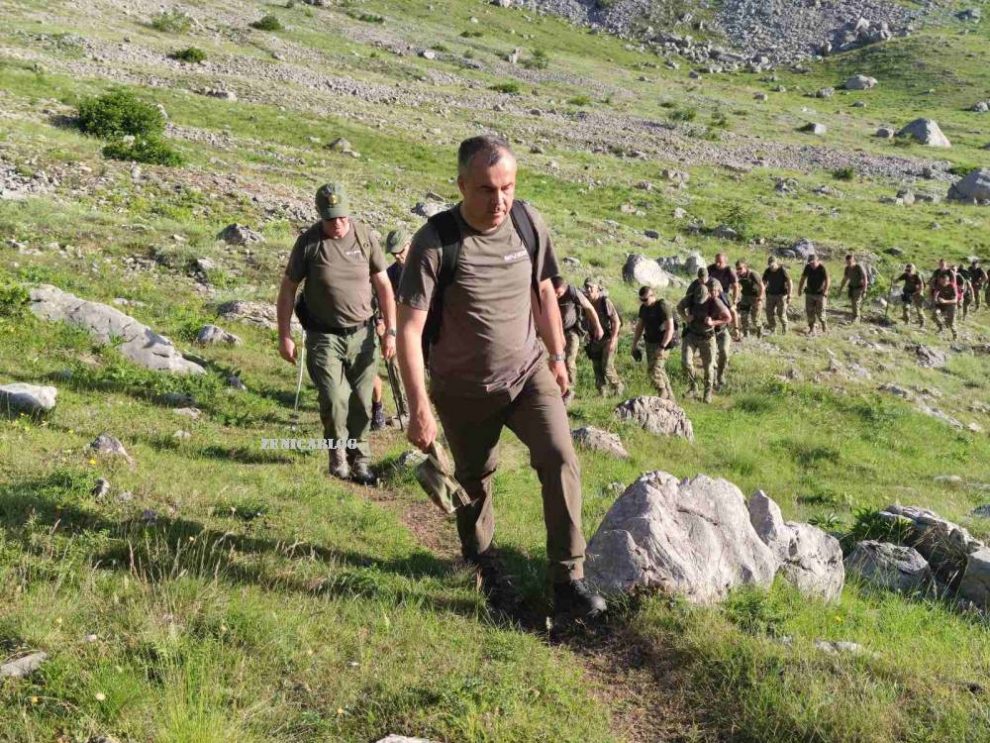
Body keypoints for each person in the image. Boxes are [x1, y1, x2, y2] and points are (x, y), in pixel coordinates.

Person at [395, 135, 606, 621]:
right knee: (474, 480)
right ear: (461, 185)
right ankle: (484, 564)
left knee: (560, 457)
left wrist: (557, 355)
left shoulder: (527, 222)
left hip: (528, 373)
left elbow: (545, 291)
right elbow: (409, 329)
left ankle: (568, 580)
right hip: (462, 389)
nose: (500, 201)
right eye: (487, 190)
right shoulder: (435, 242)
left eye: (507, 187)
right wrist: (419, 405)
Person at [276, 182, 395, 485]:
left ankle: (360, 459)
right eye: (331, 219)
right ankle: (337, 453)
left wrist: (390, 331)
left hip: (363, 334)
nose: (338, 224)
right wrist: (284, 335)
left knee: (362, 400)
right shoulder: (309, 243)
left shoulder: (364, 236)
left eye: (342, 217)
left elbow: (384, 286)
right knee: (333, 397)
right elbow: (288, 289)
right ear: (320, 215)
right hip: (323, 336)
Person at [677, 281, 731, 403]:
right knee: (686, 362)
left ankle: (707, 393)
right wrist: (685, 317)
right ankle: (693, 387)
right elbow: (679, 307)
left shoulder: (715, 302)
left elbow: (728, 317)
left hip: (707, 337)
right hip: (691, 334)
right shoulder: (691, 298)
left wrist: (713, 322)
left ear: (708, 294)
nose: (699, 302)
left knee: (708, 366)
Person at [552, 275, 604, 405]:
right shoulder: (548, 293)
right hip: (555, 332)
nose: (556, 296)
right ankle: (555, 390)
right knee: (553, 361)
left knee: (569, 361)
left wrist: (598, 327)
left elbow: (589, 308)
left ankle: (569, 391)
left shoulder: (572, 292)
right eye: (554, 293)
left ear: (564, 288)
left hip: (572, 331)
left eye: (558, 293)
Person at [630, 286, 676, 399]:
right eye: (641, 300)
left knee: (654, 370)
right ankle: (671, 399)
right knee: (660, 371)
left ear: (652, 295)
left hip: (663, 342)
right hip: (650, 343)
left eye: (645, 299)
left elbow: (670, 328)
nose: (644, 302)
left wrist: (662, 347)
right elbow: (640, 327)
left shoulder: (662, 306)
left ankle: (662, 393)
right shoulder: (644, 308)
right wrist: (634, 344)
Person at [583, 278, 624, 397]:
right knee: (597, 368)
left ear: (597, 288)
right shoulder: (585, 303)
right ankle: (602, 392)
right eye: (586, 286)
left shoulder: (605, 302)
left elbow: (616, 321)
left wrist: (613, 340)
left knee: (607, 367)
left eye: (591, 287)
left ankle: (618, 387)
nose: (588, 289)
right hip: (594, 340)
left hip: (608, 338)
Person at [707, 277, 732, 390]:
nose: (712, 293)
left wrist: (714, 322)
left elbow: (730, 317)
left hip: (722, 331)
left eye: (714, 291)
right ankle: (711, 383)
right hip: (709, 333)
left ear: (718, 291)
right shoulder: (703, 301)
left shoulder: (723, 299)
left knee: (724, 352)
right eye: (710, 291)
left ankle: (720, 376)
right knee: (710, 359)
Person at [708, 253, 740, 339]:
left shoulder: (729, 270)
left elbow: (736, 286)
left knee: (731, 310)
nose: (717, 264)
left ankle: (736, 330)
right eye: (716, 261)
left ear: (725, 262)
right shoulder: (711, 268)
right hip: (711, 292)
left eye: (720, 262)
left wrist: (734, 301)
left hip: (724, 293)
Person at [798, 254, 830, 335]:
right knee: (810, 312)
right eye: (810, 263)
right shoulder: (808, 267)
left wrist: (825, 290)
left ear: (817, 261)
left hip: (820, 294)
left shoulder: (822, 268)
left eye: (813, 263)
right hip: (810, 293)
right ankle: (812, 328)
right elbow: (803, 278)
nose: (811, 264)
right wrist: (800, 289)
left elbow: (828, 280)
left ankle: (824, 324)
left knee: (820, 312)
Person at [762, 256, 792, 334]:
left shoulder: (782, 270)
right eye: (769, 265)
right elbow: (763, 283)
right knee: (769, 313)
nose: (771, 267)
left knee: (781, 313)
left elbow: (789, 282)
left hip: (781, 295)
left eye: (772, 265)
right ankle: (773, 329)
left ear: (776, 263)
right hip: (770, 295)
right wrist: (761, 294)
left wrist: (789, 295)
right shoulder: (767, 271)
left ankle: (785, 329)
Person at [735, 260, 764, 338]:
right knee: (743, 316)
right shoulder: (738, 275)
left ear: (745, 267)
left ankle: (760, 329)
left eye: (740, 268)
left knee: (755, 319)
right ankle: (746, 334)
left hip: (755, 298)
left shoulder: (753, 274)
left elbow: (762, 286)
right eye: (737, 268)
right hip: (745, 297)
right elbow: (736, 286)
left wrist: (760, 298)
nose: (739, 270)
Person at [838, 254, 869, 323]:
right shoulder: (847, 268)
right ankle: (854, 316)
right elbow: (845, 279)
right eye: (847, 262)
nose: (849, 264)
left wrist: (865, 290)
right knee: (853, 302)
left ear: (853, 260)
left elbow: (865, 277)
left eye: (850, 262)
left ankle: (857, 317)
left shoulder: (858, 267)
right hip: (852, 287)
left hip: (859, 287)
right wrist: (841, 288)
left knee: (856, 302)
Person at [932, 272, 958, 339]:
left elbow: (955, 300)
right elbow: (936, 291)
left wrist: (945, 301)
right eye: (941, 281)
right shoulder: (939, 285)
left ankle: (955, 335)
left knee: (951, 323)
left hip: (951, 305)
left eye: (944, 282)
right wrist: (935, 298)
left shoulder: (952, 286)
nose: (943, 283)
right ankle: (941, 327)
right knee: (934, 314)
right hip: (941, 304)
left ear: (948, 280)